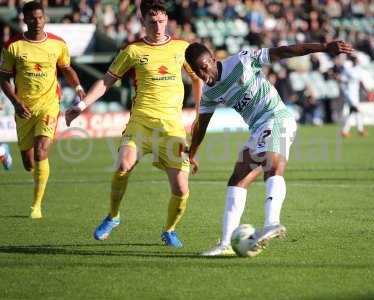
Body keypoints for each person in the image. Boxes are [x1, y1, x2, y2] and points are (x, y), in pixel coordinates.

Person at [185, 40, 353, 256]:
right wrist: (192, 153)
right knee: (238, 179)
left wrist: (323, 47)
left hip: (277, 118)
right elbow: (202, 125)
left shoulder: (242, 61)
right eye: (198, 71)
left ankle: (272, 222)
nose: (204, 74)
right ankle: (226, 243)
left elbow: (283, 51)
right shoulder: (209, 92)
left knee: (272, 164)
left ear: (213, 59)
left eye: (205, 66)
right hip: (257, 128)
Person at [65, 0, 202, 248]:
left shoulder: (183, 48)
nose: (158, 27)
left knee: (181, 189)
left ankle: (169, 230)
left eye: (162, 21)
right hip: (140, 123)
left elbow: (198, 79)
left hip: (172, 128)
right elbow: (106, 82)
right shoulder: (132, 51)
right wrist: (82, 105)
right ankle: (113, 216)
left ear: (167, 20)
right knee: (123, 166)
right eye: (153, 22)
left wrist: (199, 113)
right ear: (143, 22)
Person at [0, 1, 85, 219]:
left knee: (41, 151)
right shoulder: (13, 46)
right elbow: (3, 78)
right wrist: (16, 102)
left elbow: (66, 68)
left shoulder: (57, 44)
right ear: (24, 19)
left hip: (49, 105)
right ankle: (7, 154)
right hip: (24, 108)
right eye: (32, 18)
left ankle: (36, 206)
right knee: (29, 163)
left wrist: (77, 87)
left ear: (44, 18)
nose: (36, 22)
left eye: (40, 17)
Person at [337, 55, 367, 138]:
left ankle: (346, 131)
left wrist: (364, 89)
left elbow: (360, 81)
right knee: (356, 111)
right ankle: (359, 130)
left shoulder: (358, 69)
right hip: (349, 94)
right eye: (355, 60)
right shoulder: (348, 70)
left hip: (355, 94)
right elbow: (341, 79)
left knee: (352, 113)